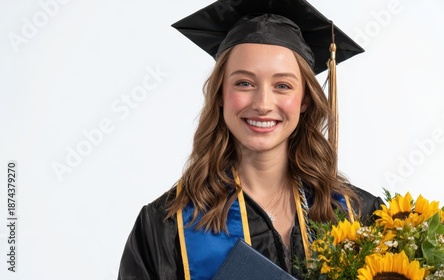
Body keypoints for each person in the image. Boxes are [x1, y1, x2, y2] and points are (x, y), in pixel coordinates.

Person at [118, 0, 384, 279]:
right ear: (220, 93)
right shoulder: (166, 226)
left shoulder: (360, 215)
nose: (263, 103)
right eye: (244, 83)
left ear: (305, 99)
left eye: (282, 86)